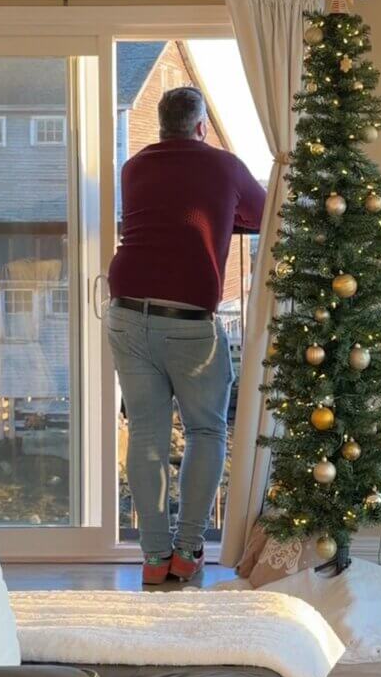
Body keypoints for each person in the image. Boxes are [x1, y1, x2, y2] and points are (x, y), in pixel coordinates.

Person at [106, 86, 266, 585]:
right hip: (189, 322)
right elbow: (265, 214)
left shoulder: (134, 168)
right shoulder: (224, 166)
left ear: (160, 126)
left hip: (126, 313)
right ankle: (188, 549)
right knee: (205, 431)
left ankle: (153, 559)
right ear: (200, 127)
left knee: (148, 436)